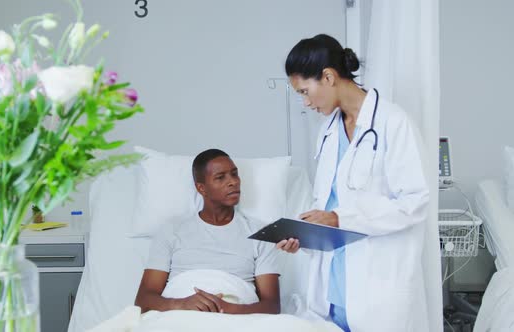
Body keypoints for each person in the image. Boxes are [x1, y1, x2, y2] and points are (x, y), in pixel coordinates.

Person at [276, 34, 430, 331]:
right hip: (333, 289)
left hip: (377, 286)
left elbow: (414, 203)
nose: (306, 103)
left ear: (329, 77)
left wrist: (338, 218)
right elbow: (328, 202)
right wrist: (305, 235)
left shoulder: (393, 123)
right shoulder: (328, 131)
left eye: (306, 91)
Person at [134, 149, 281, 314]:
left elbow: (272, 306)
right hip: (179, 316)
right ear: (201, 188)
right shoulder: (172, 230)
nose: (233, 182)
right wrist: (181, 304)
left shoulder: (261, 234)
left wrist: (228, 308)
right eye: (220, 177)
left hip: (235, 317)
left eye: (234, 174)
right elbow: (144, 300)